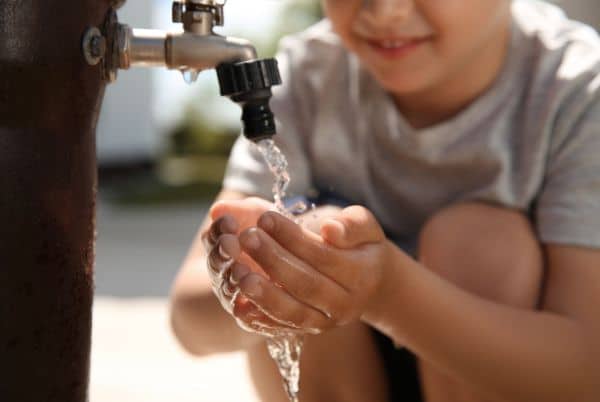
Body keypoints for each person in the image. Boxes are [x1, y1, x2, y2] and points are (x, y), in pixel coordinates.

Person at [169, 1, 600, 401]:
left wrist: (386, 293)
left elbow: (587, 366)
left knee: (481, 242)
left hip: (507, 369)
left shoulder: (576, 87)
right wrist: (281, 279)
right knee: (303, 243)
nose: (384, 10)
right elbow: (189, 318)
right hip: (340, 376)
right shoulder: (307, 73)